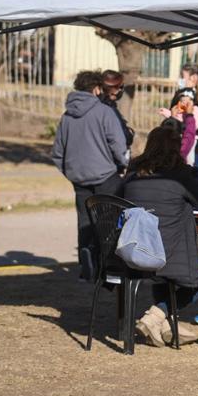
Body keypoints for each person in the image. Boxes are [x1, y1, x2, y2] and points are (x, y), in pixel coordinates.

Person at [122, 125, 198, 346]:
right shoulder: (179, 174)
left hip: (134, 251)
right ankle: (156, 315)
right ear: (176, 148)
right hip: (168, 252)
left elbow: (118, 199)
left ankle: (164, 326)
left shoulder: (133, 171)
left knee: (163, 276)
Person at [50, 70, 128, 280]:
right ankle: (107, 266)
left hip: (79, 178)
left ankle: (88, 267)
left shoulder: (66, 117)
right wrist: (123, 163)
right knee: (109, 222)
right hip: (106, 175)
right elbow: (118, 144)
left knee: (85, 222)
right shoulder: (104, 112)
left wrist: (71, 173)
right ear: (96, 88)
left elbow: (57, 152)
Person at [100, 70, 134, 159]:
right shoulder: (107, 109)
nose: (120, 90)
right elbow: (119, 138)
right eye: (119, 87)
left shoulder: (108, 106)